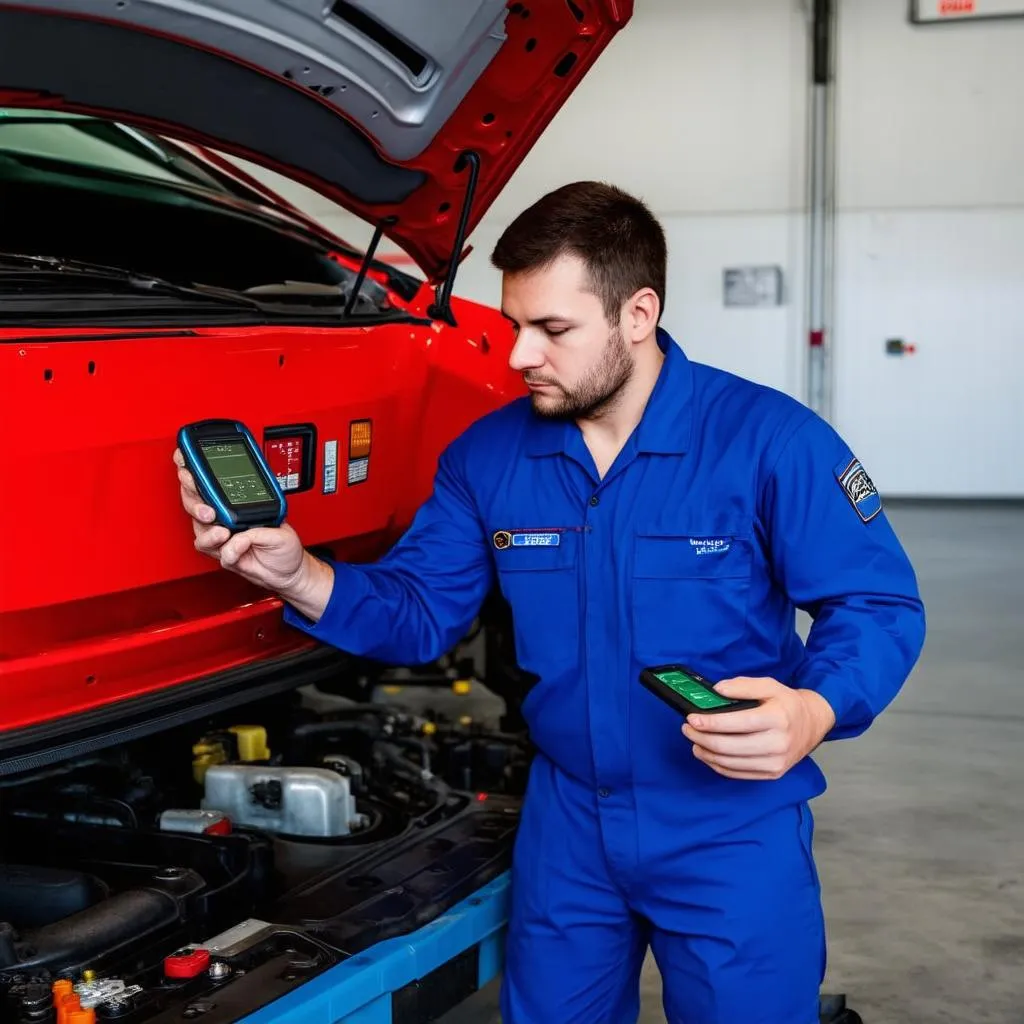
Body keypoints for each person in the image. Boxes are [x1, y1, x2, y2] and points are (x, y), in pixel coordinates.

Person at [174, 181, 926, 1024]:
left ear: (636, 315)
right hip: (570, 826)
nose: (519, 355)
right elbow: (421, 608)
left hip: (728, 825)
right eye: (514, 326)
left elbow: (876, 603)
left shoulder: (770, 441)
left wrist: (815, 710)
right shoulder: (488, 457)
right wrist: (294, 572)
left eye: (553, 330)